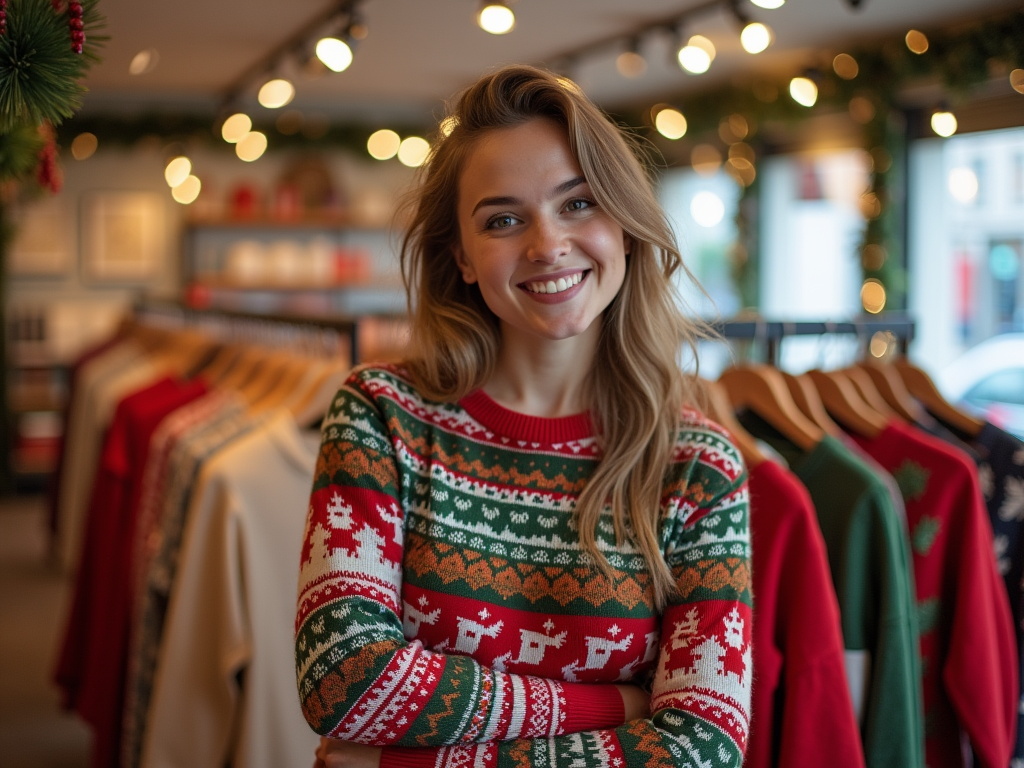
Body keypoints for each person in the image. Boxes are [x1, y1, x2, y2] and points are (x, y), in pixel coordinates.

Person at [295, 64, 751, 768]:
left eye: (578, 204)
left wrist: (400, 760)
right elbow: (341, 678)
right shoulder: (382, 415)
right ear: (464, 258)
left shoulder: (697, 467)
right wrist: (618, 706)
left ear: (625, 228)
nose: (546, 245)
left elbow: (704, 746)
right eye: (503, 219)